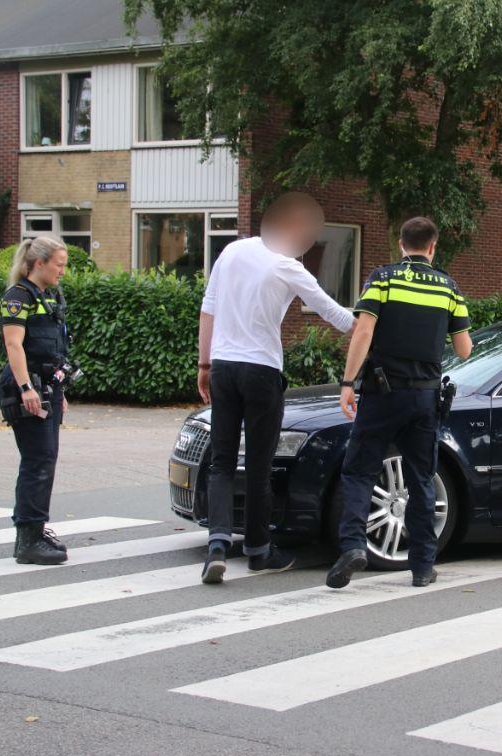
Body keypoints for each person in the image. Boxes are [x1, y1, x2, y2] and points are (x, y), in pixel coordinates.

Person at [198, 192, 355, 584]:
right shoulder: (288, 267)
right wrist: (375, 325)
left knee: (221, 460)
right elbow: (336, 316)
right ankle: (258, 550)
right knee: (258, 464)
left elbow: (209, 308)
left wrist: (204, 363)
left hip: (223, 367)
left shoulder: (231, 252)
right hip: (261, 371)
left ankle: (217, 546)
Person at [326, 216, 472, 589]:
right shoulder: (449, 288)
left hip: (381, 392)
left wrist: (347, 382)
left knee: (359, 470)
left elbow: (364, 330)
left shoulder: (383, 278)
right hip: (425, 397)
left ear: (401, 244)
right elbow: (464, 349)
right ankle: (423, 566)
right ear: (433, 246)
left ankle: (355, 546)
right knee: (422, 477)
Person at [0, 236, 72, 565]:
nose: (63, 271)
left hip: (48, 388)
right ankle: (28, 537)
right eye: (59, 265)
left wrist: (59, 391)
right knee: (37, 462)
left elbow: (53, 347)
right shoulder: (18, 297)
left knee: (46, 460)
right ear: (38, 263)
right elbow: (14, 346)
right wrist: (26, 387)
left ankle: (35, 530)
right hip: (27, 390)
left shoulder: (50, 296)